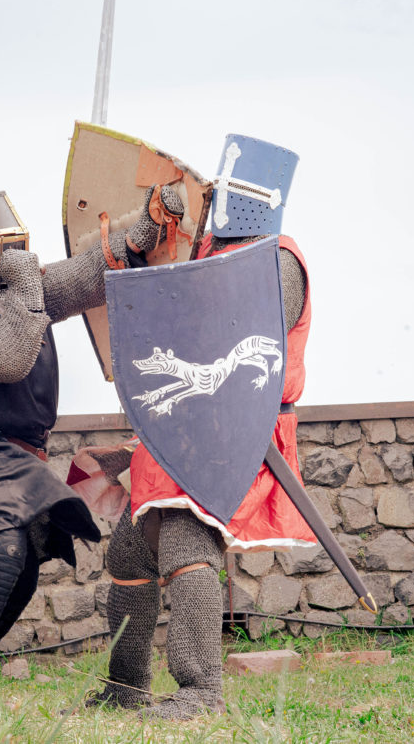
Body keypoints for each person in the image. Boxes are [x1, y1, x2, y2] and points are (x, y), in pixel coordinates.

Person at [87, 135, 315, 720]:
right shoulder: (205, 247)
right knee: (132, 556)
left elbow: (243, 327)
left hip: (230, 426)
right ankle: (125, 685)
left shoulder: (278, 257)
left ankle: (199, 691)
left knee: (188, 545)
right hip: (179, 421)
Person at [0, 186, 183, 703]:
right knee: (1, 555)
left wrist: (145, 230)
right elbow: (10, 358)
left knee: (21, 569)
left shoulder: (24, 296)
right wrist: (27, 290)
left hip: (19, 462)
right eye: (10, 247)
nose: (22, 255)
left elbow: (87, 275)